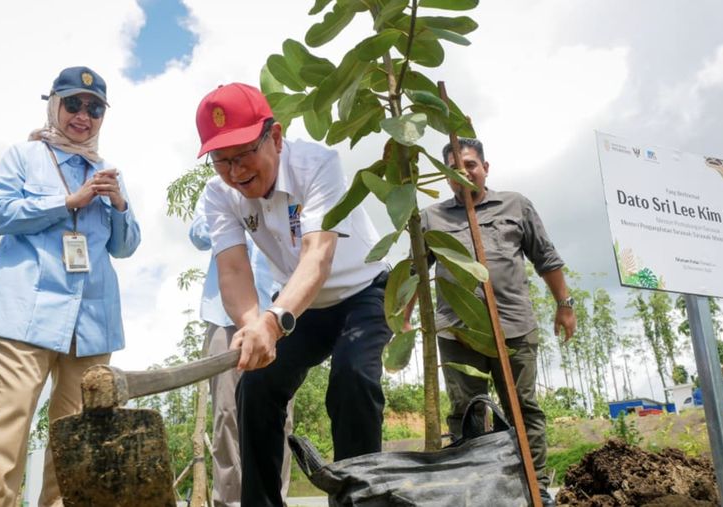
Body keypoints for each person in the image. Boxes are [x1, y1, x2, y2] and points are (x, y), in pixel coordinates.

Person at [195, 83, 391, 507]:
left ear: (276, 137)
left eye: (244, 153)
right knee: (258, 382)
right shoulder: (219, 194)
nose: (235, 171)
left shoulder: (317, 165)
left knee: (352, 378)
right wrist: (253, 328)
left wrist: (272, 321)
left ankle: (358, 501)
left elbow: (317, 256)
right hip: (301, 305)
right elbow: (232, 270)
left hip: (362, 292)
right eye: (221, 160)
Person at [0, 66, 141, 507]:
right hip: (25, 312)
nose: (83, 115)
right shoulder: (24, 157)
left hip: (92, 322)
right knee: (11, 421)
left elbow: (125, 246)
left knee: (79, 435)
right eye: (73, 104)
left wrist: (118, 204)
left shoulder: (107, 172)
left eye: (95, 108)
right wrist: (67, 202)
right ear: (53, 105)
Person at [419, 137, 575, 507]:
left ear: (485, 168)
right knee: (466, 413)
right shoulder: (431, 218)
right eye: (453, 170)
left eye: (470, 165)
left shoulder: (515, 205)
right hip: (458, 333)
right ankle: (474, 491)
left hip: (514, 328)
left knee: (523, 407)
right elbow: (415, 269)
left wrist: (564, 304)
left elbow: (546, 259)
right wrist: (402, 315)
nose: (464, 174)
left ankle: (535, 487)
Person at [189, 190, 294, 506]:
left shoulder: (283, 186)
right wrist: (237, 217)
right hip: (225, 317)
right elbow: (197, 233)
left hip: (277, 314)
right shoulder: (214, 190)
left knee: (280, 416)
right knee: (226, 413)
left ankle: (274, 499)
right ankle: (231, 502)